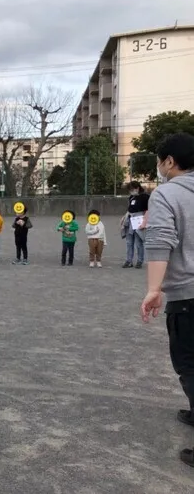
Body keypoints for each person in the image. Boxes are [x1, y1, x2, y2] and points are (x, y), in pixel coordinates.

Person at [140, 133, 194, 468]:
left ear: (169, 161)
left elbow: (160, 241)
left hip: (188, 295)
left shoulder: (168, 193)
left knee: (190, 365)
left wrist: (154, 289)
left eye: (160, 161)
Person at [121, 181, 149, 269]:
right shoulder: (131, 197)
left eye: (132, 189)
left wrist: (145, 221)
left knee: (138, 242)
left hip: (139, 220)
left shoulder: (145, 197)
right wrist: (124, 218)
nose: (131, 191)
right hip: (130, 220)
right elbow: (129, 209)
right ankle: (129, 260)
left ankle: (140, 261)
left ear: (137, 188)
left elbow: (148, 210)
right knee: (129, 242)